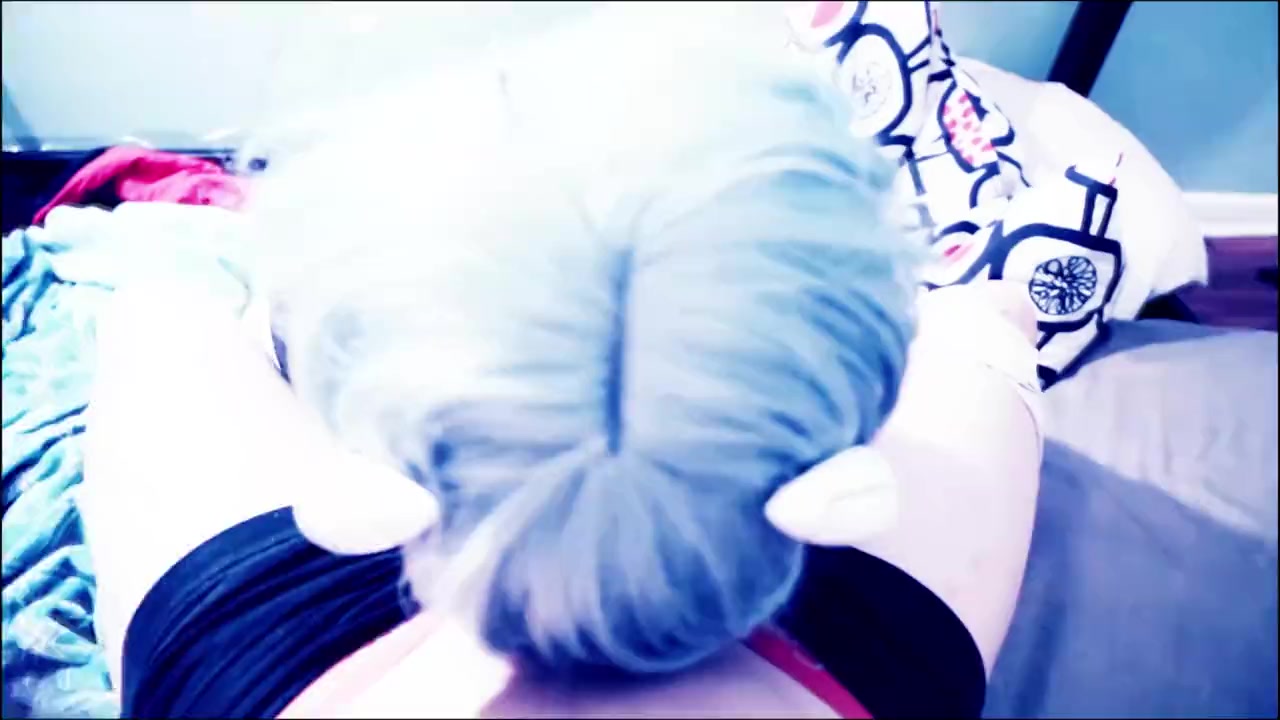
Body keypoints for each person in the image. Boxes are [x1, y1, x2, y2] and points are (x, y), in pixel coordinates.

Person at [79, 4, 1044, 717]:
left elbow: (159, 323)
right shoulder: (905, 643)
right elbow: (987, 317)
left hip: (291, 632)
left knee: (163, 314)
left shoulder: (220, 657)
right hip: (822, 611)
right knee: (979, 329)